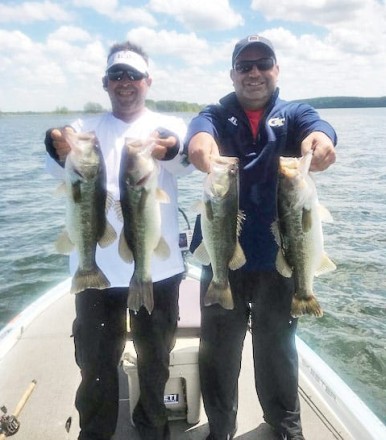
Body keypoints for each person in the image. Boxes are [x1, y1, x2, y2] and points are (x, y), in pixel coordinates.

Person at [185, 34, 337, 440]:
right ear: (232, 73)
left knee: (278, 350)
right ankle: (221, 428)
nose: (254, 73)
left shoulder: (294, 113)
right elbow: (199, 134)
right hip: (223, 257)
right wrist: (200, 147)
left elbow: (318, 128)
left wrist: (320, 143)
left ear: (276, 69)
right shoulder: (216, 113)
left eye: (262, 63)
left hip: (279, 257)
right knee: (217, 352)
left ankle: (285, 425)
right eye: (244, 66)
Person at [45, 41, 192, 440]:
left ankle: (152, 429)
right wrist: (56, 143)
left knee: (156, 359)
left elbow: (184, 162)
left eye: (132, 76)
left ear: (148, 81)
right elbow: (55, 160)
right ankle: (96, 433)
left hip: (157, 270)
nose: (124, 83)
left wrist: (172, 149)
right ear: (105, 83)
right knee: (95, 362)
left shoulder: (170, 126)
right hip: (97, 273)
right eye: (116, 76)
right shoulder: (85, 128)